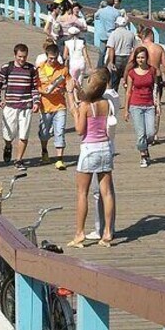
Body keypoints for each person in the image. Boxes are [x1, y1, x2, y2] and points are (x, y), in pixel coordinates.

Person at [67, 67, 115, 248]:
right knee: (107, 193)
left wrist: (74, 109)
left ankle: (79, 234)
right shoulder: (106, 103)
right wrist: (76, 92)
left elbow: (80, 130)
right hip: (105, 148)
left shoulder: (86, 105)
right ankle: (107, 233)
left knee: (82, 193)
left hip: (89, 149)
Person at [0, 43, 41, 170]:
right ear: (15, 55)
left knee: (24, 135)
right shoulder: (7, 68)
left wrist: (36, 102)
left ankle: (19, 160)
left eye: (24, 57)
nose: (22, 59)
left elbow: (35, 87)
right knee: (8, 134)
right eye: (20, 56)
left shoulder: (31, 69)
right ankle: (8, 145)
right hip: (10, 105)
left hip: (26, 106)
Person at [37, 43, 74, 170]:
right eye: (50, 58)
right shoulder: (39, 69)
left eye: (55, 58)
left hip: (60, 105)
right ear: (46, 56)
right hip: (45, 105)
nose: (52, 61)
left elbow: (69, 84)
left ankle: (59, 159)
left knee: (60, 131)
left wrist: (63, 89)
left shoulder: (63, 69)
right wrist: (43, 91)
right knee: (44, 133)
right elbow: (35, 87)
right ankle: (44, 150)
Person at [130, 27, 165, 142]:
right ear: (152, 36)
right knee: (156, 104)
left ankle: (144, 130)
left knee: (142, 103)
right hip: (156, 77)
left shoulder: (139, 48)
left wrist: (127, 79)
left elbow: (130, 62)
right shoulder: (158, 48)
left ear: (143, 36)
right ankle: (154, 133)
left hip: (140, 76)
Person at [123, 46, 158, 167]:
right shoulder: (132, 73)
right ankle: (143, 156)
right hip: (135, 105)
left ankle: (144, 147)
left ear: (146, 57)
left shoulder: (152, 70)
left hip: (149, 105)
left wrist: (157, 104)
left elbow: (155, 88)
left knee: (151, 133)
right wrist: (126, 110)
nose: (140, 60)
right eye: (138, 58)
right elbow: (128, 92)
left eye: (142, 57)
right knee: (141, 133)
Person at [105, 16, 135, 89]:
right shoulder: (131, 34)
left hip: (117, 58)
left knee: (114, 81)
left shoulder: (114, 33)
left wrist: (111, 62)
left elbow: (111, 48)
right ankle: (127, 94)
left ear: (117, 24)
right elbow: (134, 48)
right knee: (128, 81)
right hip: (128, 58)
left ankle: (114, 94)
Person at [93, 0, 120, 67]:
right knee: (113, 52)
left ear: (107, 2)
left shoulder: (101, 11)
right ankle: (112, 66)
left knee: (102, 53)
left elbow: (95, 16)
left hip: (103, 34)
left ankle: (99, 67)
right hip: (112, 34)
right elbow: (118, 22)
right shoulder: (117, 12)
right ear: (113, 3)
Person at [64, 26, 91, 92]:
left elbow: (65, 56)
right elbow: (86, 55)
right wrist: (90, 67)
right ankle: (79, 94)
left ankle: (75, 96)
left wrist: (68, 58)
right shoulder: (82, 42)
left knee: (73, 81)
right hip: (81, 63)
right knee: (80, 82)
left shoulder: (67, 43)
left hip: (73, 64)